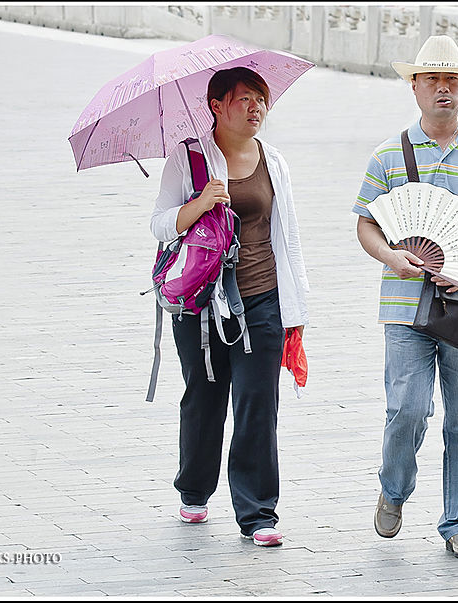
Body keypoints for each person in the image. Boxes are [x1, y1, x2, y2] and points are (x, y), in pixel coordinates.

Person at [352, 35, 458, 560]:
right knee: (407, 408)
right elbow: (366, 226)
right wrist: (393, 258)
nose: (443, 89)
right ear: (415, 87)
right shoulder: (388, 154)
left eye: (453, 80)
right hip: (404, 305)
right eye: (432, 80)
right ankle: (394, 488)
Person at [150, 67, 310, 547]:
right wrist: (199, 203)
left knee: (258, 402)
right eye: (244, 99)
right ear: (216, 105)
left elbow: (290, 237)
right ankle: (194, 490)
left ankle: (258, 513)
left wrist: (295, 310)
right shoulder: (189, 158)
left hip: (261, 299)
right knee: (204, 397)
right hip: (199, 304)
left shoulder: (273, 160)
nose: (256, 107)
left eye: (261, 99)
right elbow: (159, 225)